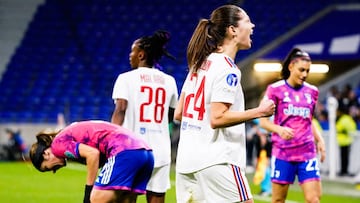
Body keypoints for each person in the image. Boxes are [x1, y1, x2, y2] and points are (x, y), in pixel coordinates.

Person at [174, 5, 275, 203]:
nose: (252, 25)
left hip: (186, 162)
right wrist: (259, 111)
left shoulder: (199, 64)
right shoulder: (228, 69)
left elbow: (179, 112)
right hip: (217, 161)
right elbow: (217, 117)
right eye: (247, 21)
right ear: (232, 30)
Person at [111, 30, 178, 203]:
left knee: (127, 197)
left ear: (141, 54)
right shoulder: (169, 81)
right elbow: (170, 116)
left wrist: (110, 142)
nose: (130, 55)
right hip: (161, 150)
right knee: (157, 198)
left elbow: (120, 110)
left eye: (132, 51)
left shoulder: (125, 78)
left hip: (132, 149)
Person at [259, 47, 326, 203]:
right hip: (283, 153)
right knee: (278, 200)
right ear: (291, 66)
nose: (304, 74)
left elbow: (309, 121)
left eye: (307, 71)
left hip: (307, 153)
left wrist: (320, 140)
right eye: (301, 70)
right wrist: (279, 129)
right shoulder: (274, 89)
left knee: (314, 199)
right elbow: (263, 121)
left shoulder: (313, 91)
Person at [29, 120, 154, 203]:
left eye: (47, 168)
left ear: (46, 154)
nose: (53, 171)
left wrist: (88, 192)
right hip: (146, 153)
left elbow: (93, 154)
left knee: (95, 199)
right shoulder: (68, 133)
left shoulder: (57, 145)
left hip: (124, 151)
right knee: (124, 201)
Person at [336, 101, 356, 176]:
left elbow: (338, 128)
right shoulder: (348, 118)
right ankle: (344, 171)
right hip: (345, 141)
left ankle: (344, 171)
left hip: (345, 141)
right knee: (345, 158)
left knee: (344, 158)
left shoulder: (344, 119)